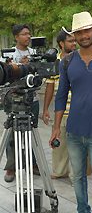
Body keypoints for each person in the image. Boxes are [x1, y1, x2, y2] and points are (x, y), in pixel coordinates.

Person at [49, 11, 92, 213]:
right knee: (77, 178)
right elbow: (61, 95)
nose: (84, 36)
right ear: (74, 36)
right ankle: (82, 210)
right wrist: (56, 128)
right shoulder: (66, 61)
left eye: (87, 31)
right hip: (74, 130)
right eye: (79, 33)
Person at [4, 24, 40, 182]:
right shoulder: (9, 54)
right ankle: (11, 167)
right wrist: (18, 67)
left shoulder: (35, 53)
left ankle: (33, 164)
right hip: (14, 98)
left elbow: (41, 74)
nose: (28, 36)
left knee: (31, 132)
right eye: (24, 34)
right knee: (12, 134)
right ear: (16, 37)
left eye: (29, 34)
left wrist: (31, 67)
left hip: (32, 98)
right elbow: (5, 75)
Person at [42, 28, 76, 182]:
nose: (74, 43)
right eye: (70, 41)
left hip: (77, 110)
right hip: (61, 111)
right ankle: (59, 170)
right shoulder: (54, 63)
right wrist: (45, 110)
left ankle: (78, 172)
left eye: (74, 40)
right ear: (61, 44)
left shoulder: (79, 59)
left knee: (78, 145)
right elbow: (49, 87)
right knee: (59, 143)